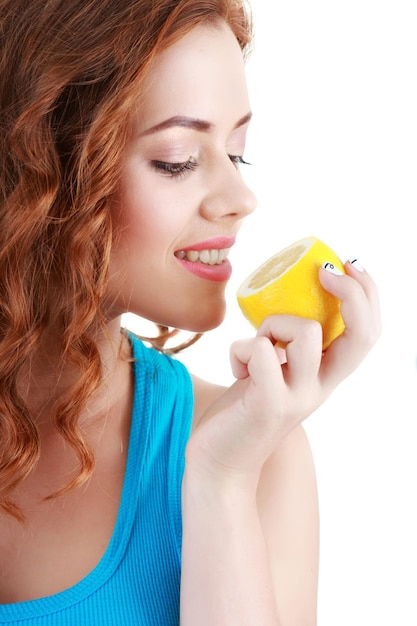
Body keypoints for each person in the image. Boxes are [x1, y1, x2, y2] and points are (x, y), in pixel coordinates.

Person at [0, 0, 381, 624]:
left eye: (237, 153)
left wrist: (220, 481)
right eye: (177, 159)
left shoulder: (260, 455)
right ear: (37, 170)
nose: (241, 198)